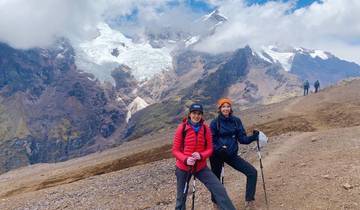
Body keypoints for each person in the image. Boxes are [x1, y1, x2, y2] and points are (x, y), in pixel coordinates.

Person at [172, 103, 236, 210]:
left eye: (199, 114)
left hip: (201, 167)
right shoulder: (182, 128)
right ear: (189, 114)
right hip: (183, 168)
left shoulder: (205, 129)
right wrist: (186, 159)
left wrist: (201, 155)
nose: (196, 116)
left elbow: (210, 149)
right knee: (181, 198)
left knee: (219, 188)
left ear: (202, 115)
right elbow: (175, 150)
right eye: (194, 113)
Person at [209, 98, 259, 210]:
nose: (226, 108)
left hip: (231, 154)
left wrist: (253, 137)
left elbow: (242, 139)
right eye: (223, 106)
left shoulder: (236, 121)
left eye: (228, 106)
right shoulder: (214, 123)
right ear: (220, 109)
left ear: (230, 108)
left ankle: (249, 201)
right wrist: (219, 148)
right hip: (216, 155)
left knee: (252, 172)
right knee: (216, 180)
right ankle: (216, 204)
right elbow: (210, 141)